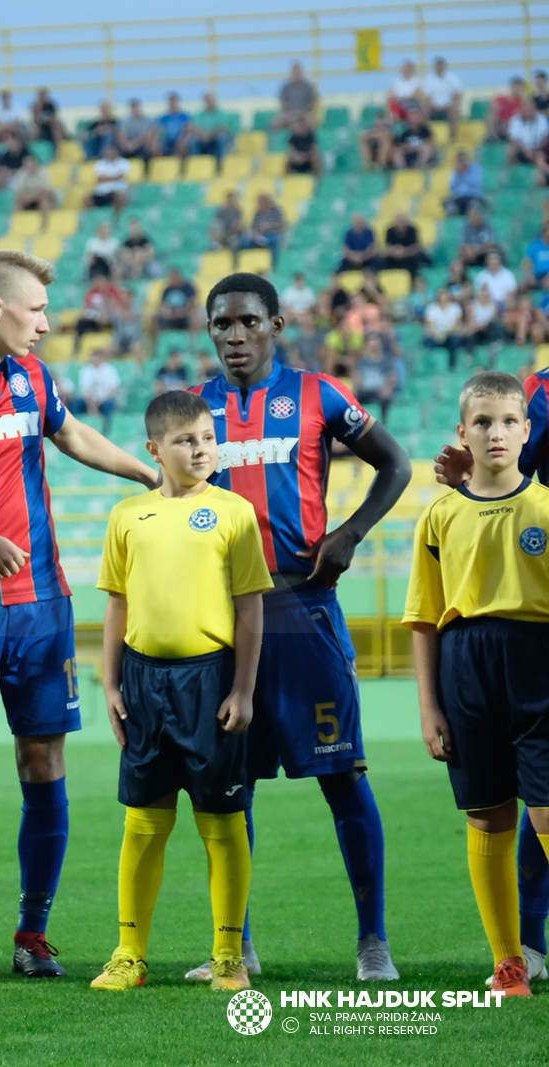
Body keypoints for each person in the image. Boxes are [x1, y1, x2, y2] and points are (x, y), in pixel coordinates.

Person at [0, 250, 160, 979]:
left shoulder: (34, 378)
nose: (46, 324)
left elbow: (70, 432)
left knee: (44, 761)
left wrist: (146, 471)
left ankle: (33, 933)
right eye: (36, 310)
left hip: (43, 604)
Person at [189, 272, 412, 982]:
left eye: (248, 322)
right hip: (224, 621)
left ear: (276, 325)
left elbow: (396, 463)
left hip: (306, 611)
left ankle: (373, 943)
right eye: (221, 324)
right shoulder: (196, 411)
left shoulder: (317, 394)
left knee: (343, 776)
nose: (233, 336)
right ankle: (236, 946)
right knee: (231, 788)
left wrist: (350, 531)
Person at [90, 390, 272, 993]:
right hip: (143, 683)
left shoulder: (233, 512)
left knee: (223, 822)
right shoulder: (127, 516)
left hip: (211, 679)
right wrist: (110, 680)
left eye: (207, 438)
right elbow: (117, 604)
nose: (201, 450)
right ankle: (129, 953)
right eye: (186, 441)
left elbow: (250, 611)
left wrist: (243, 690)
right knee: (143, 823)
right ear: (154, 450)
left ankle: (227, 956)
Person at [407, 370, 549, 998]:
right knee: (488, 818)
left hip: (538, 662)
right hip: (465, 666)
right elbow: (423, 620)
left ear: (527, 431)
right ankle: (508, 962)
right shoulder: (439, 516)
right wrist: (428, 708)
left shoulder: (545, 507)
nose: (496, 433)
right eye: (483, 422)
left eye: (509, 421)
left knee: (546, 813)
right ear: (462, 433)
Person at [354, 333, 405, 423]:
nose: (373, 343)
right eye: (371, 340)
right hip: (365, 391)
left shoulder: (386, 361)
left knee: (385, 398)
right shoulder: (362, 361)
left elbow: (393, 378)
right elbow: (357, 378)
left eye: (375, 340)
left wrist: (388, 387)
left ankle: (384, 423)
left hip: (380, 391)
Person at [79, 348, 121, 435]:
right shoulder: (86, 370)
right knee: (76, 402)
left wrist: (101, 399)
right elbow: (85, 389)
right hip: (91, 399)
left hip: (106, 398)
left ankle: (106, 428)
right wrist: (93, 400)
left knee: (108, 404)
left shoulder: (110, 370)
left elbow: (113, 389)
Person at [424, 286, 466, 369]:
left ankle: (452, 365)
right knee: (427, 342)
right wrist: (437, 335)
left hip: (450, 334)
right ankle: (432, 367)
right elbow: (430, 326)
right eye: (441, 299)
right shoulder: (431, 308)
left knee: (455, 339)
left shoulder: (455, 308)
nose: (443, 302)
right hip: (436, 335)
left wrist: (447, 333)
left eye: (446, 299)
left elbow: (458, 325)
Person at [153, 268, 199, 340]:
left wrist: (182, 312)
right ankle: (160, 342)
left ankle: (193, 341)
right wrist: (167, 313)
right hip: (171, 316)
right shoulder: (167, 290)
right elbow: (162, 305)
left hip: (185, 315)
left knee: (195, 317)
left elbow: (193, 303)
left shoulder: (188, 288)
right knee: (155, 318)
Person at [383, 212, 433, 277]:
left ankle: (414, 278)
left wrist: (404, 252)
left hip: (409, 254)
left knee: (416, 259)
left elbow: (416, 246)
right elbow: (387, 247)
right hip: (395, 256)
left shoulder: (412, 230)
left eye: (402, 221)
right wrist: (395, 252)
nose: (400, 223)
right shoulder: (390, 230)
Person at [10, 155, 55, 226]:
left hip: (40, 198)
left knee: (44, 201)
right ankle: (17, 225)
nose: (31, 168)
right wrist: (26, 198)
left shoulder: (44, 172)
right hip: (28, 199)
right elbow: (18, 191)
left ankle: (44, 224)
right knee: (18, 201)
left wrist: (32, 198)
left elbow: (47, 190)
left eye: (32, 165)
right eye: (28, 166)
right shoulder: (21, 174)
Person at [244, 194, 288, 264]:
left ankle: (274, 263)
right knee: (246, 242)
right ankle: (251, 263)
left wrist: (269, 226)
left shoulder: (276, 211)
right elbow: (253, 227)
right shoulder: (257, 213)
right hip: (260, 235)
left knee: (275, 241)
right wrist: (256, 235)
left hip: (273, 233)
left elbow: (281, 224)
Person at [91, 142, 131, 216]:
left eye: (110, 150)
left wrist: (106, 178)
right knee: (88, 199)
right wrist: (114, 177)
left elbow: (121, 177)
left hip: (117, 190)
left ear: (115, 151)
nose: (108, 152)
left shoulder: (124, 162)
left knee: (120, 197)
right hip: (103, 191)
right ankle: (96, 217)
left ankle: (117, 219)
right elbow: (99, 179)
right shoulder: (101, 163)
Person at [507, 102, 549, 170]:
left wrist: (535, 149)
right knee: (511, 150)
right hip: (521, 149)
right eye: (525, 108)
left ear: (534, 109)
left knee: (542, 154)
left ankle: (540, 174)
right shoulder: (515, 120)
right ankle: (513, 172)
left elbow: (546, 137)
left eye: (530, 108)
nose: (527, 111)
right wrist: (525, 150)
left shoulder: (542, 119)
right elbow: (513, 139)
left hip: (538, 148)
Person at [190, 93, 232, 161]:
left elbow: (223, 128)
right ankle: (196, 162)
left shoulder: (221, 113)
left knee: (222, 138)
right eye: (207, 101)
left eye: (210, 100)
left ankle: (220, 163)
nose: (209, 103)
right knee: (193, 140)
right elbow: (194, 127)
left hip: (215, 138)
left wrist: (209, 135)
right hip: (202, 138)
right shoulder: (200, 114)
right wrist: (203, 135)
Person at [276, 61, 319, 128]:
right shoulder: (286, 87)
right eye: (294, 70)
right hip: (289, 114)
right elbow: (283, 103)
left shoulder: (308, 87)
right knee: (276, 123)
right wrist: (289, 113)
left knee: (310, 122)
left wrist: (302, 113)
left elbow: (312, 103)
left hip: (304, 113)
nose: (296, 73)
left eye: (298, 70)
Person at [422, 56, 464, 122]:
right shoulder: (429, 79)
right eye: (438, 65)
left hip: (448, 107)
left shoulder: (453, 79)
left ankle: (454, 132)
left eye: (441, 65)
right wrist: (434, 106)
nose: (440, 67)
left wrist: (451, 105)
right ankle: (425, 131)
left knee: (456, 112)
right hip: (433, 107)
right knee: (423, 111)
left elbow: (457, 95)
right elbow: (427, 97)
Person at [445, 150, 486, 216]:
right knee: (450, 208)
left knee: (473, 207)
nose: (462, 162)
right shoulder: (456, 171)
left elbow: (476, 182)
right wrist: (459, 174)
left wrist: (464, 173)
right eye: (460, 160)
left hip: (473, 196)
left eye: (463, 160)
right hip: (459, 198)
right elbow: (452, 187)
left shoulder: (477, 168)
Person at [394, 105, 435, 169]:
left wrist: (417, 147)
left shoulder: (424, 130)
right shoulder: (405, 131)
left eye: (415, 115)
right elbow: (400, 144)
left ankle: (420, 168)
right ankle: (402, 169)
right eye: (412, 115)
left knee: (426, 149)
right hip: (408, 152)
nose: (413, 117)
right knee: (397, 152)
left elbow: (430, 142)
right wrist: (408, 147)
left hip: (420, 151)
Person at [489, 77, 530, 141]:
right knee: (492, 115)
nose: (518, 89)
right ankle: (493, 136)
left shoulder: (521, 102)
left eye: (520, 87)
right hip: (500, 124)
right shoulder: (501, 98)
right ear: (512, 86)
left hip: (512, 125)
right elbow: (494, 111)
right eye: (516, 86)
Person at [156, 92, 195, 158]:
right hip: (167, 141)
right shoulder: (164, 118)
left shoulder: (185, 116)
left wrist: (183, 140)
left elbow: (189, 131)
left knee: (183, 144)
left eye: (174, 101)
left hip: (180, 140)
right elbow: (158, 130)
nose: (172, 103)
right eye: (171, 101)